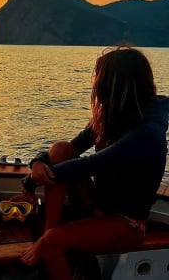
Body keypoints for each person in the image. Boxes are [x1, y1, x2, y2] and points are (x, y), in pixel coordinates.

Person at [19, 45, 169, 280]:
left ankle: (49, 239)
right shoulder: (112, 114)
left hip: (126, 222)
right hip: (97, 204)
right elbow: (73, 149)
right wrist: (37, 162)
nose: (96, 86)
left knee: (53, 242)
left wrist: (30, 181)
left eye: (100, 79)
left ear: (117, 86)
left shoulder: (147, 133)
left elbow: (92, 164)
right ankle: (49, 229)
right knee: (60, 149)